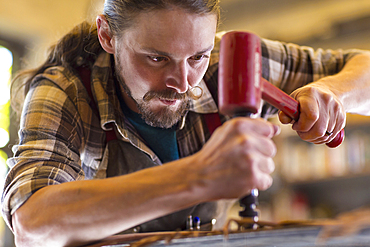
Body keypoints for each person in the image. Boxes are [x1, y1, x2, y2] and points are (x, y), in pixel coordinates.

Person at [2, 0, 370, 246]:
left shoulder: (229, 63)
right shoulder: (65, 89)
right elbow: (33, 222)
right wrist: (199, 177)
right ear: (108, 36)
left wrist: (333, 93)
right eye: (157, 58)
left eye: (198, 55)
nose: (183, 82)